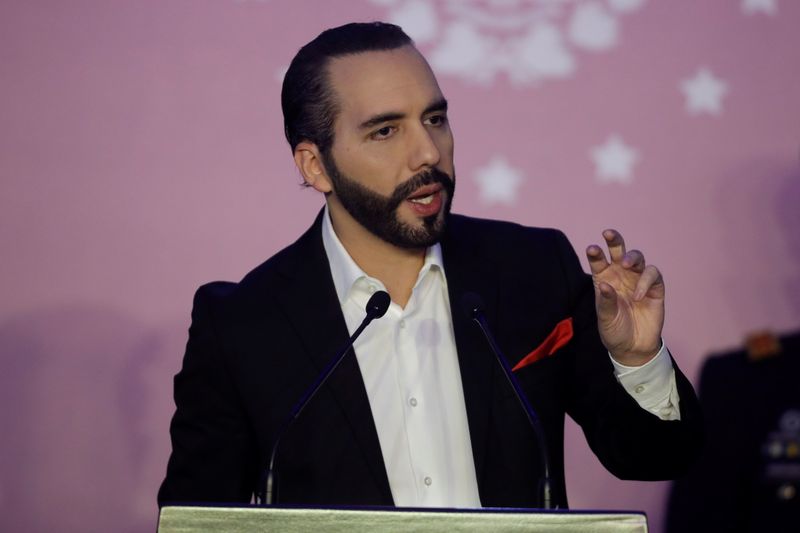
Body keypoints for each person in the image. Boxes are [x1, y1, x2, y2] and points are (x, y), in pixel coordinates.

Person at [158, 21, 702, 509]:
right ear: (316, 165)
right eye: (385, 131)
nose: (428, 153)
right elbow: (196, 519)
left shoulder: (534, 270)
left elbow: (653, 458)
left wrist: (637, 359)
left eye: (435, 119)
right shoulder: (243, 325)